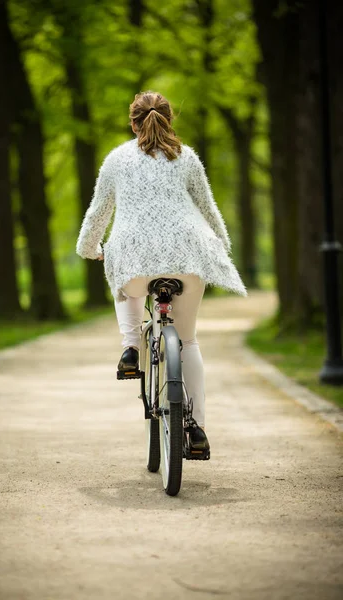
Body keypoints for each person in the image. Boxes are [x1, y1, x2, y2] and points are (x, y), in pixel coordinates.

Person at [76, 91, 247, 453]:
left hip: (134, 259)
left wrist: (90, 250)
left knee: (124, 276)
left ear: (133, 122)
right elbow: (210, 211)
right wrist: (221, 245)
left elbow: (97, 215)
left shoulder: (117, 159)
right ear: (170, 120)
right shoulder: (186, 158)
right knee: (188, 341)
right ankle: (197, 429)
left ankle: (130, 348)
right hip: (189, 257)